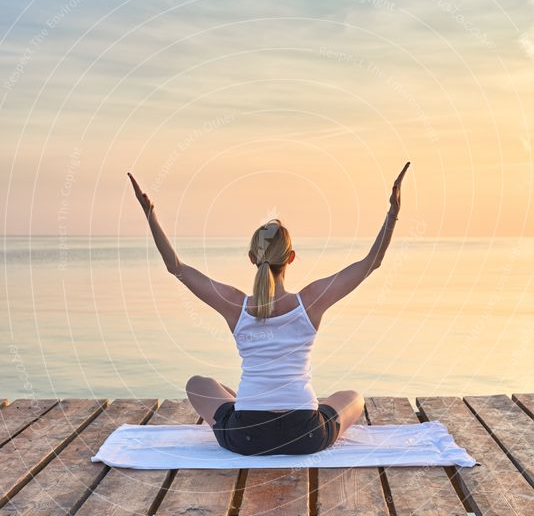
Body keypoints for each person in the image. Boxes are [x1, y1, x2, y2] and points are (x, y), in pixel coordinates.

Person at [127, 161, 410, 455]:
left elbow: (176, 268)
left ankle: (245, 403)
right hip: (305, 435)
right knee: (353, 397)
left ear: (251, 257)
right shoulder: (311, 300)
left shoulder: (235, 304)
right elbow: (370, 263)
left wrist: (150, 215)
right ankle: (252, 403)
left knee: (198, 384)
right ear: (291, 258)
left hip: (246, 436)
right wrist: (393, 214)